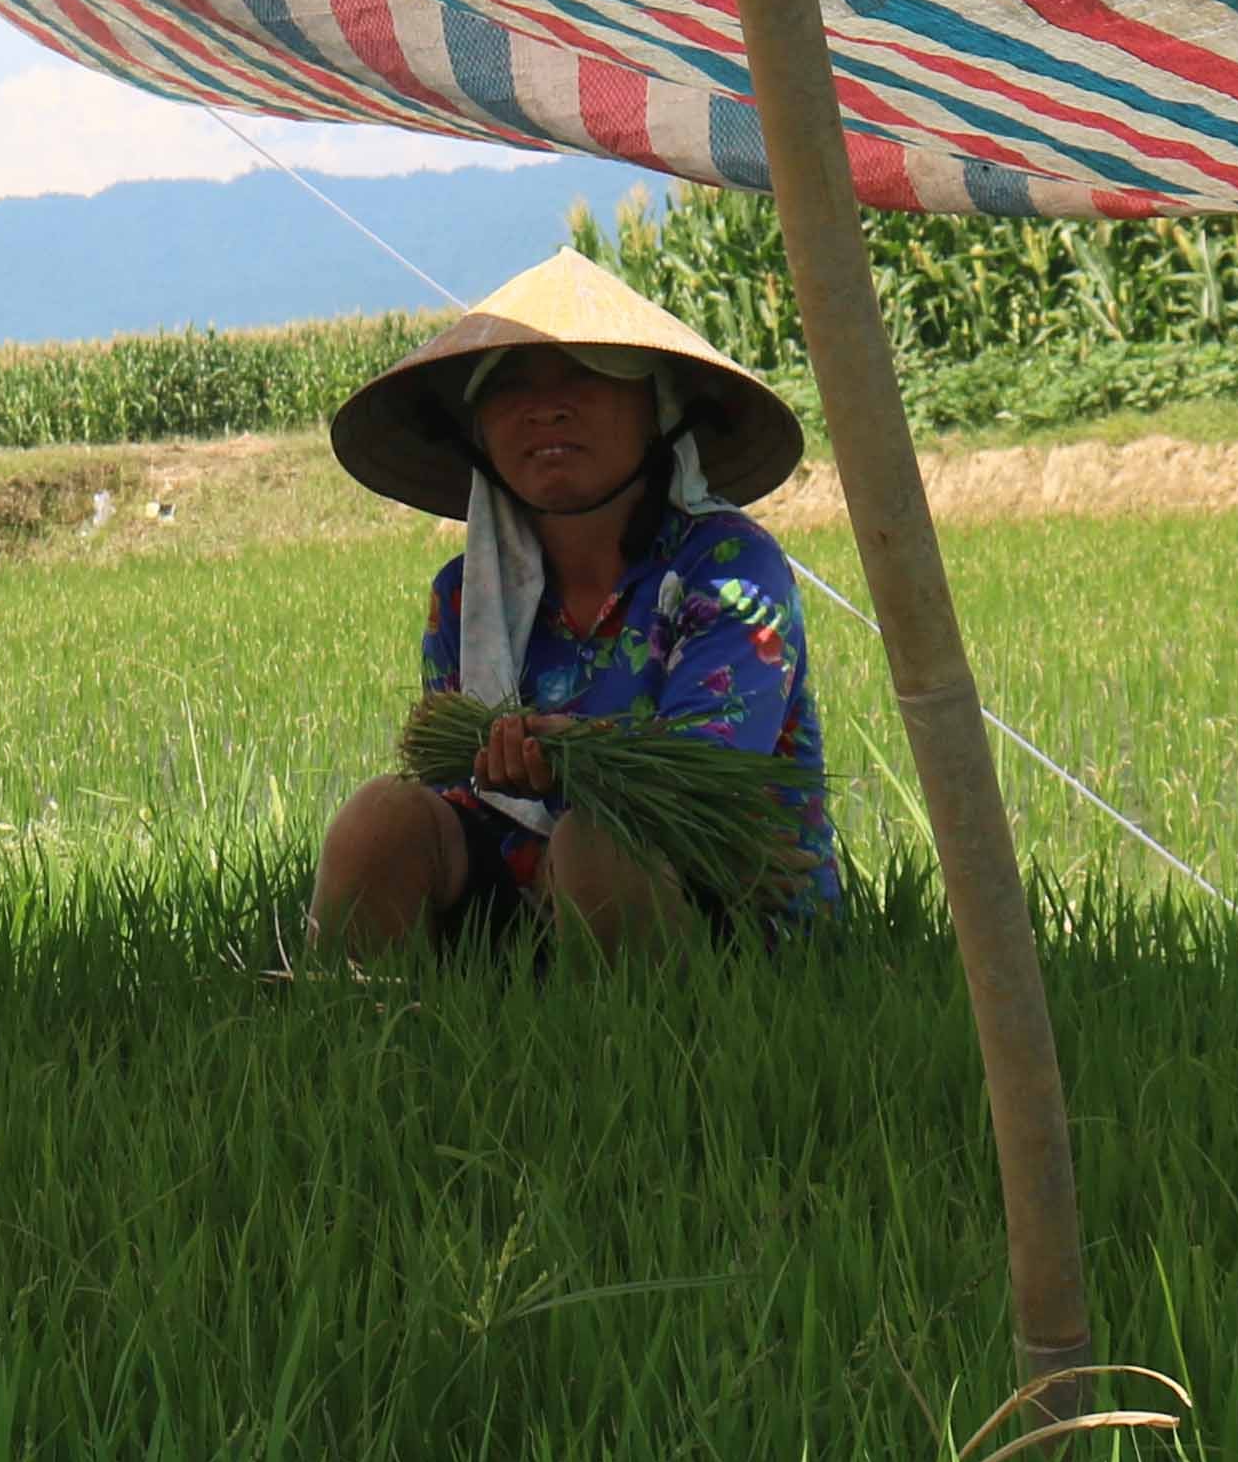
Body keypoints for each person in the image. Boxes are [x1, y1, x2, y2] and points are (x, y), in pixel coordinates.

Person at [309, 251, 841, 957]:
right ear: (477, 434)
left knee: (600, 846)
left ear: (659, 411)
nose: (546, 408)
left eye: (587, 378)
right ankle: (361, 1036)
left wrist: (567, 750)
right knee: (381, 817)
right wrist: (503, 767)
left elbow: (712, 777)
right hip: (524, 914)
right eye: (511, 389)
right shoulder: (464, 594)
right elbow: (453, 787)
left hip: (724, 907)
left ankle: (645, 1053)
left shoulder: (728, 568)